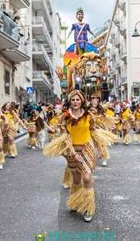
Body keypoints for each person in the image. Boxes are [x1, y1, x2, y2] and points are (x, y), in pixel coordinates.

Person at [43, 90, 116, 222]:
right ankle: (75, 202)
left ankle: (88, 208)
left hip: (87, 147)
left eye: (78, 99)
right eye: (73, 100)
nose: (75, 102)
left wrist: (100, 149)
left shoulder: (89, 115)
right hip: (71, 150)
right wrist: (73, 153)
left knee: (87, 178)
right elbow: (65, 137)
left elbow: (93, 132)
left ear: (82, 101)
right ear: (69, 101)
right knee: (76, 180)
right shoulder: (64, 117)